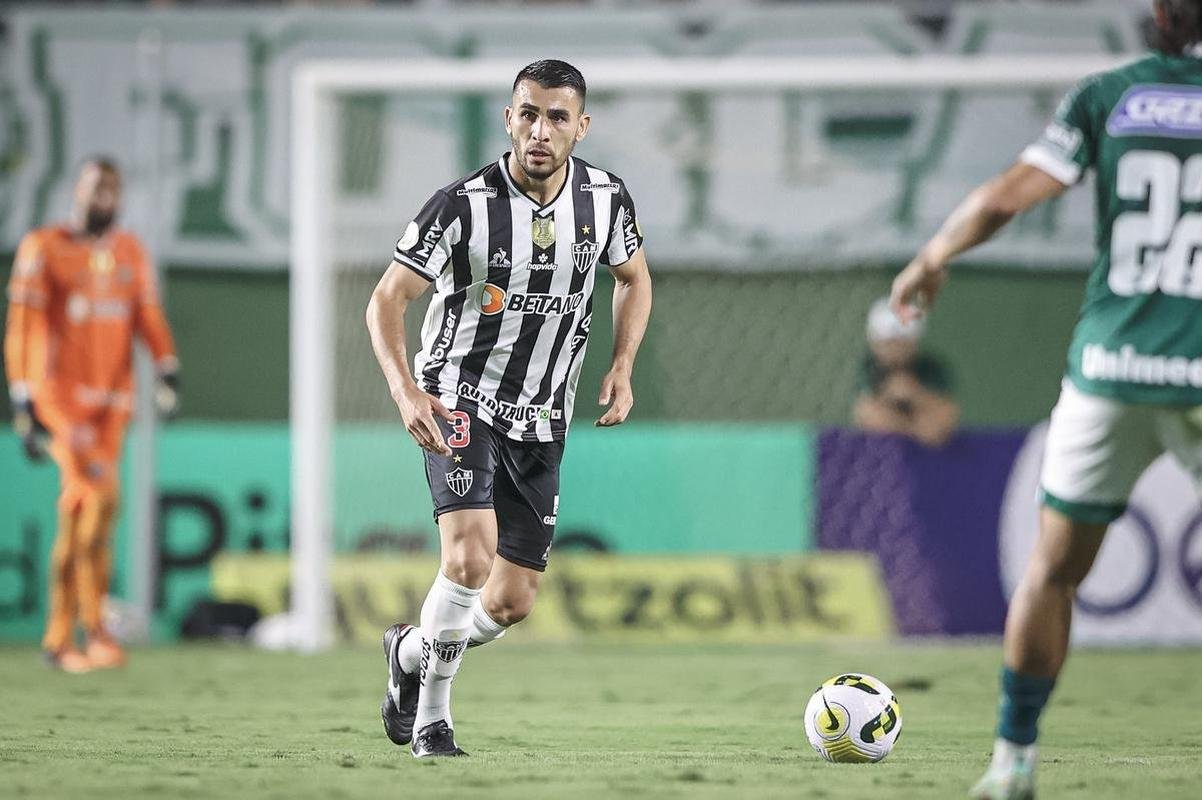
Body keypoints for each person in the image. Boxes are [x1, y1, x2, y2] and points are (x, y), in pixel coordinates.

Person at [891, 3, 1202, 797]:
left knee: (1053, 573)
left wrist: (935, 252)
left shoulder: (1110, 95)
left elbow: (1004, 197)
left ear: (1160, 17)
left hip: (1111, 369)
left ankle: (1012, 763)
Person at [366, 59, 652, 758]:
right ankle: (433, 719)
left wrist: (622, 363)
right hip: (457, 396)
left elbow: (634, 277)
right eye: (528, 113)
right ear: (508, 119)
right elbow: (387, 300)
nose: (540, 130)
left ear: (581, 127)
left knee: (509, 601)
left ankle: (408, 656)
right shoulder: (460, 205)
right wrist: (407, 390)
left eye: (557, 116)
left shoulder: (607, 199)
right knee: (467, 558)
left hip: (543, 413)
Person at [4, 157, 179, 673]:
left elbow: (147, 315)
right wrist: (22, 396)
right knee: (97, 500)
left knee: (88, 515)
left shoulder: (129, 252)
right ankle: (86, 632)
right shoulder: (42, 248)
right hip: (60, 402)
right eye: (95, 188)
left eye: (113, 190)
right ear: (75, 191)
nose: (104, 198)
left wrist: (166, 365)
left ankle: (64, 638)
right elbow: (22, 327)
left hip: (111, 403)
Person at [854, 296, 958, 447]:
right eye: (889, 342)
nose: (896, 349)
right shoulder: (869, 368)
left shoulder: (929, 367)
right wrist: (890, 397)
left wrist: (914, 394)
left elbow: (941, 422)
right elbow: (869, 416)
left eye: (902, 342)